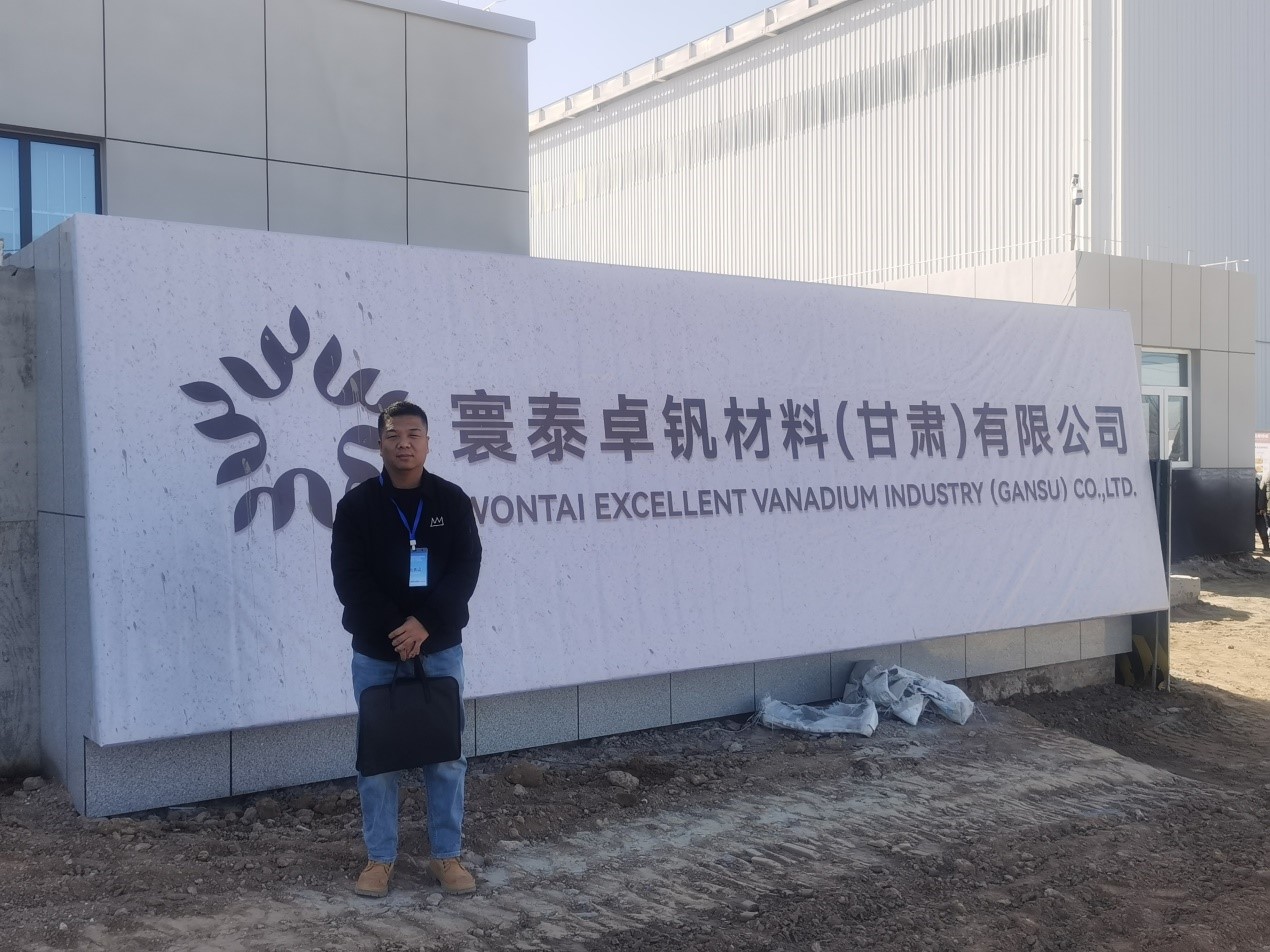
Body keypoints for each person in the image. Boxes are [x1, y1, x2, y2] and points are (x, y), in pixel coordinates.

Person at [331, 400, 482, 899]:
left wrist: (425, 624)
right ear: (380, 443)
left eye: (414, 435)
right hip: (377, 652)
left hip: (440, 649)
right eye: (394, 435)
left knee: (447, 757)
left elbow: (465, 570)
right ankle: (380, 859)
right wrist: (398, 628)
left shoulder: (451, 501)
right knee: (377, 761)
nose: (404, 444)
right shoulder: (356, 507)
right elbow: (350, 579)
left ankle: (446, 855)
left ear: (428, 442)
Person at [1256, 465, 1269, 554]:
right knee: (1262, 528)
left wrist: (1261, 507)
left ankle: (1266, 547)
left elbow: (1262, 493)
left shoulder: (1264, 477)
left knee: (1263, 528)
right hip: (1261, 510)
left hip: (1261, 510)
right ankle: (1266, 547)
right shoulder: (1261, 479)